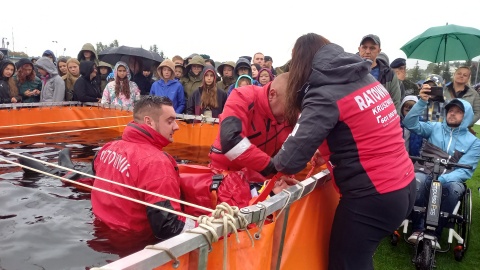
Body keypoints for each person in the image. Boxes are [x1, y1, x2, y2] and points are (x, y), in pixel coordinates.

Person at [272, 33, 415, 270]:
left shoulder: (324, 92)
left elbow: (289, 160)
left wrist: (267, 163)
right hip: (403, 184)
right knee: (357, 259)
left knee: (344, 264)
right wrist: (327, 154)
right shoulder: (365, 77)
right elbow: (361, 131)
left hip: (372, 196)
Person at [91, 95, 196, 240]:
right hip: (134, 246)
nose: (176, 126)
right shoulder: (157, 164)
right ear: (149, 122)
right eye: (170, 121)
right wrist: (207, 223)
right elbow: (168, 227)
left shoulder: (108, 148)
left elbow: (95, 172)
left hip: (99, 233)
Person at [404, 97, 480, 249]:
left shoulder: (474, 142)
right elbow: (409, 123)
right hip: (425, 170)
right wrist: (422, 102)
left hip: (452, 178)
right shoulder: (434, 127)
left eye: (458, 112)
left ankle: (434, 234)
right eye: (450, 110)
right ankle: (418, 228)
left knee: (452, 190)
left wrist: (443, 179)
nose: (452, 114)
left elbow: (466, 170)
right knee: (417, 180)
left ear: (467, 116)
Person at [208, 72, 293, 208]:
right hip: (226, 176)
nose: (291, 114)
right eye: (289, 107)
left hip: (260, 177)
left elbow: (289, 151)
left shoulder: (290, 115)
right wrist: (274, 168)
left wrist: (287, 175)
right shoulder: (242, 96)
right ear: (272, 94)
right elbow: (231, 142)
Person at [358, 34, 402, 114]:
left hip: (382, 122)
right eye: (364, 47)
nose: (367, 51)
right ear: (359, 49)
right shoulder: (350, 71)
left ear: (379, 51)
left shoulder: (389, 74)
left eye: (372, 48)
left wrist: (393, 125)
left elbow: (395, 103)